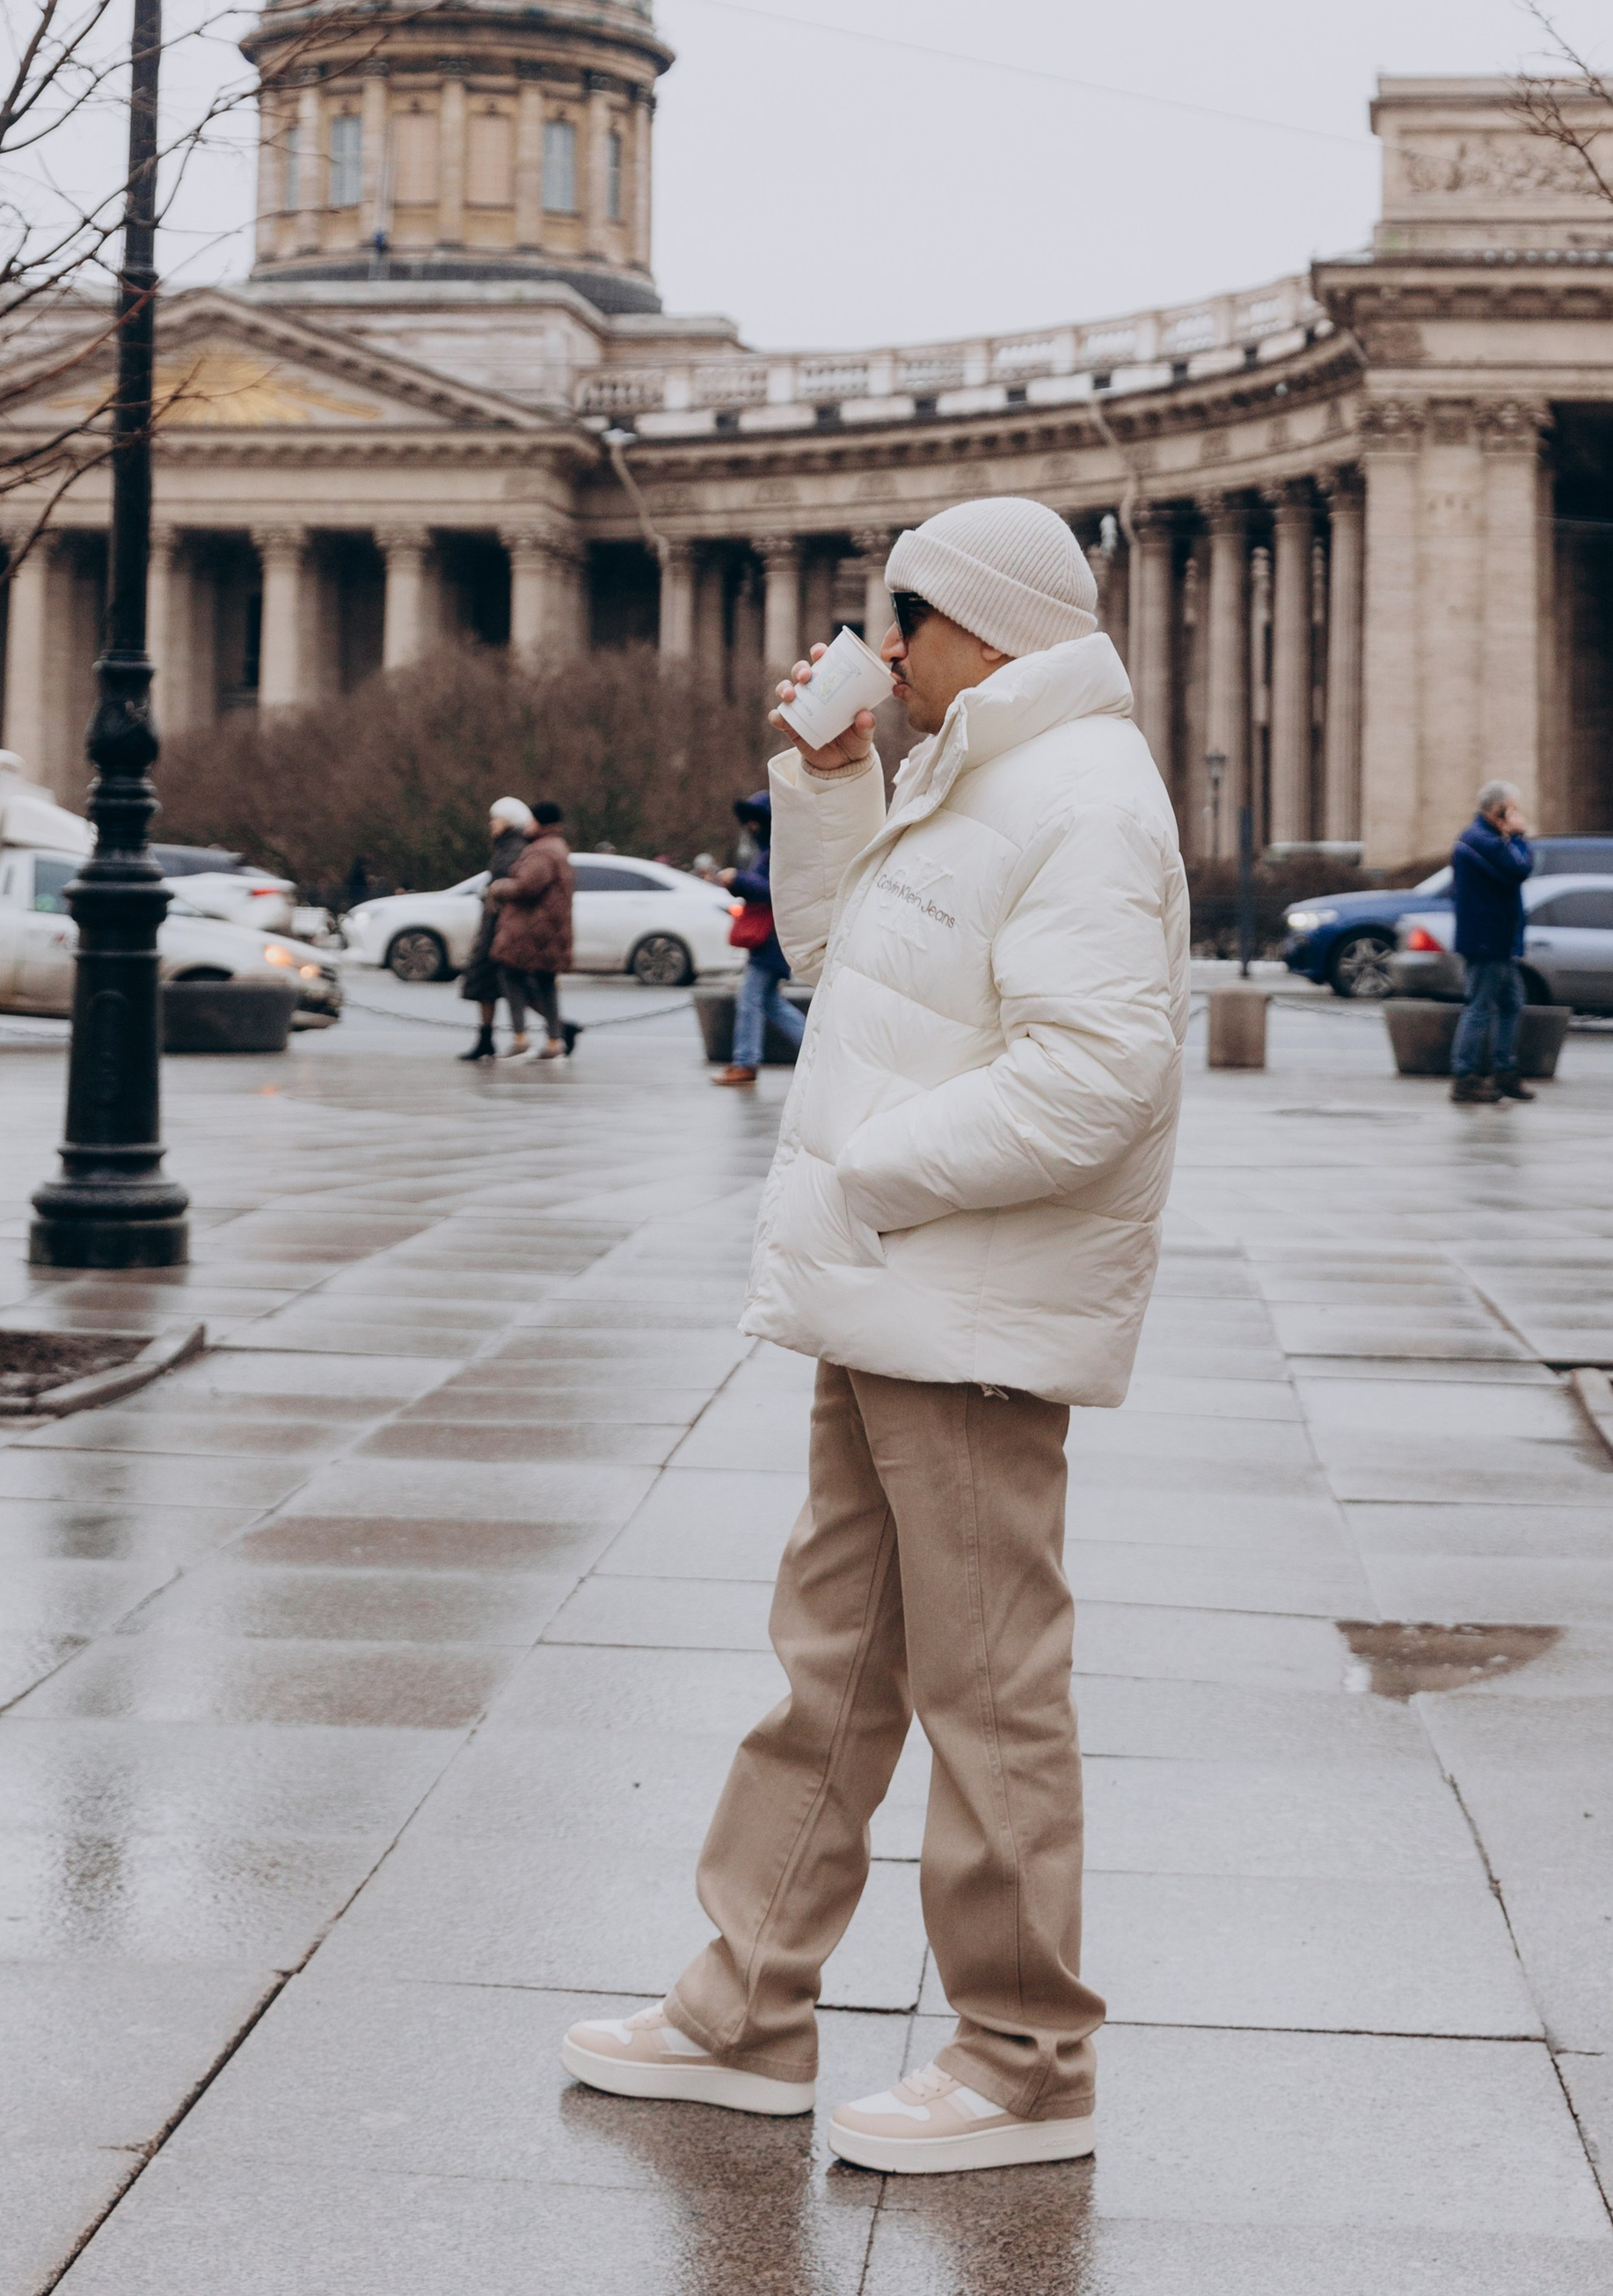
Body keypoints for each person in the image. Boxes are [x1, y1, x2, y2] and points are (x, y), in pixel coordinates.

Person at [563, 495, 1189, 2176]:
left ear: (976, 620)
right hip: (899, 1289)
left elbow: (1098, 1077)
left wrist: (875, 1173)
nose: (880, 645)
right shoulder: (977, 774)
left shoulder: (1080, 797)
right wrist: (828, 786)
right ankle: (744, 2008)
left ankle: (1024, 2057)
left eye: (899, 617)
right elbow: (845, 974)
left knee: (990, 1694)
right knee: (833, 1670)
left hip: (963, 1299)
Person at [1449, 779, 1536, 1106]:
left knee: (1512, 1002)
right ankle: (1465, 1076)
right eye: (1512, 807)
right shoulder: (1481, 840)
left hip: (1497, 937)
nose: (1517, 814)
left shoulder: (1484, 839)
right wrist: (1519, 836)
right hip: (1487, 938)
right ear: (1497, 809)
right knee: (1480, 1006)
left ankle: (1504, 1069)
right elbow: (1520, 868)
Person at [713, 791, 802, 1089]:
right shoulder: (773, 849)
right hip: (773, 936)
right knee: (768, 1002)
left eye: (755, 822)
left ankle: (745, 1062)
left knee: (750, 1000)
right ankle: (814, 1049)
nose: (751, 828)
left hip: (770, 938)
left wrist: (738, 879)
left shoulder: (775, 851)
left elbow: (773, 889)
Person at [492, 797, 575, 1064]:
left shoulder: (541, 851)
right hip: (550, 928)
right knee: (545, 983)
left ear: (539, 822)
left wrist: (498, 887)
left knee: (510, 975)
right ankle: (553, 1040)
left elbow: (526, 886)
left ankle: (521, 1038)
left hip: (532, 928)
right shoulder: (558, 847)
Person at [459, 798, 533, 1062]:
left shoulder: (514, 849)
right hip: (495, 926)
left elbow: (508, 890)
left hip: (502, 928)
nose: (492, 824)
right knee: (486, 985)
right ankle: (485, 1038)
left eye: (496, 818)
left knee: (521, 987)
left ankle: (561, 1029)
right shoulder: (506, 847)